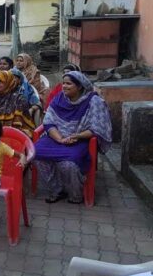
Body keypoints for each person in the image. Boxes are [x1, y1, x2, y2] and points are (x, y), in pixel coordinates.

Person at [33, 71, 111, 204]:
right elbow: (49, 122)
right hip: (56, 138)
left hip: (80, 139)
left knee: (67, 164)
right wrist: (59, 139)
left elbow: (97, 127)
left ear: (79, 86)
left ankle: (76, 194)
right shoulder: (59, 98)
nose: (64, 86)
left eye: (69, 84)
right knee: (35, 154)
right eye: (63, 83)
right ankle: (56, 189)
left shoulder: (94, 101)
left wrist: (78, 135)